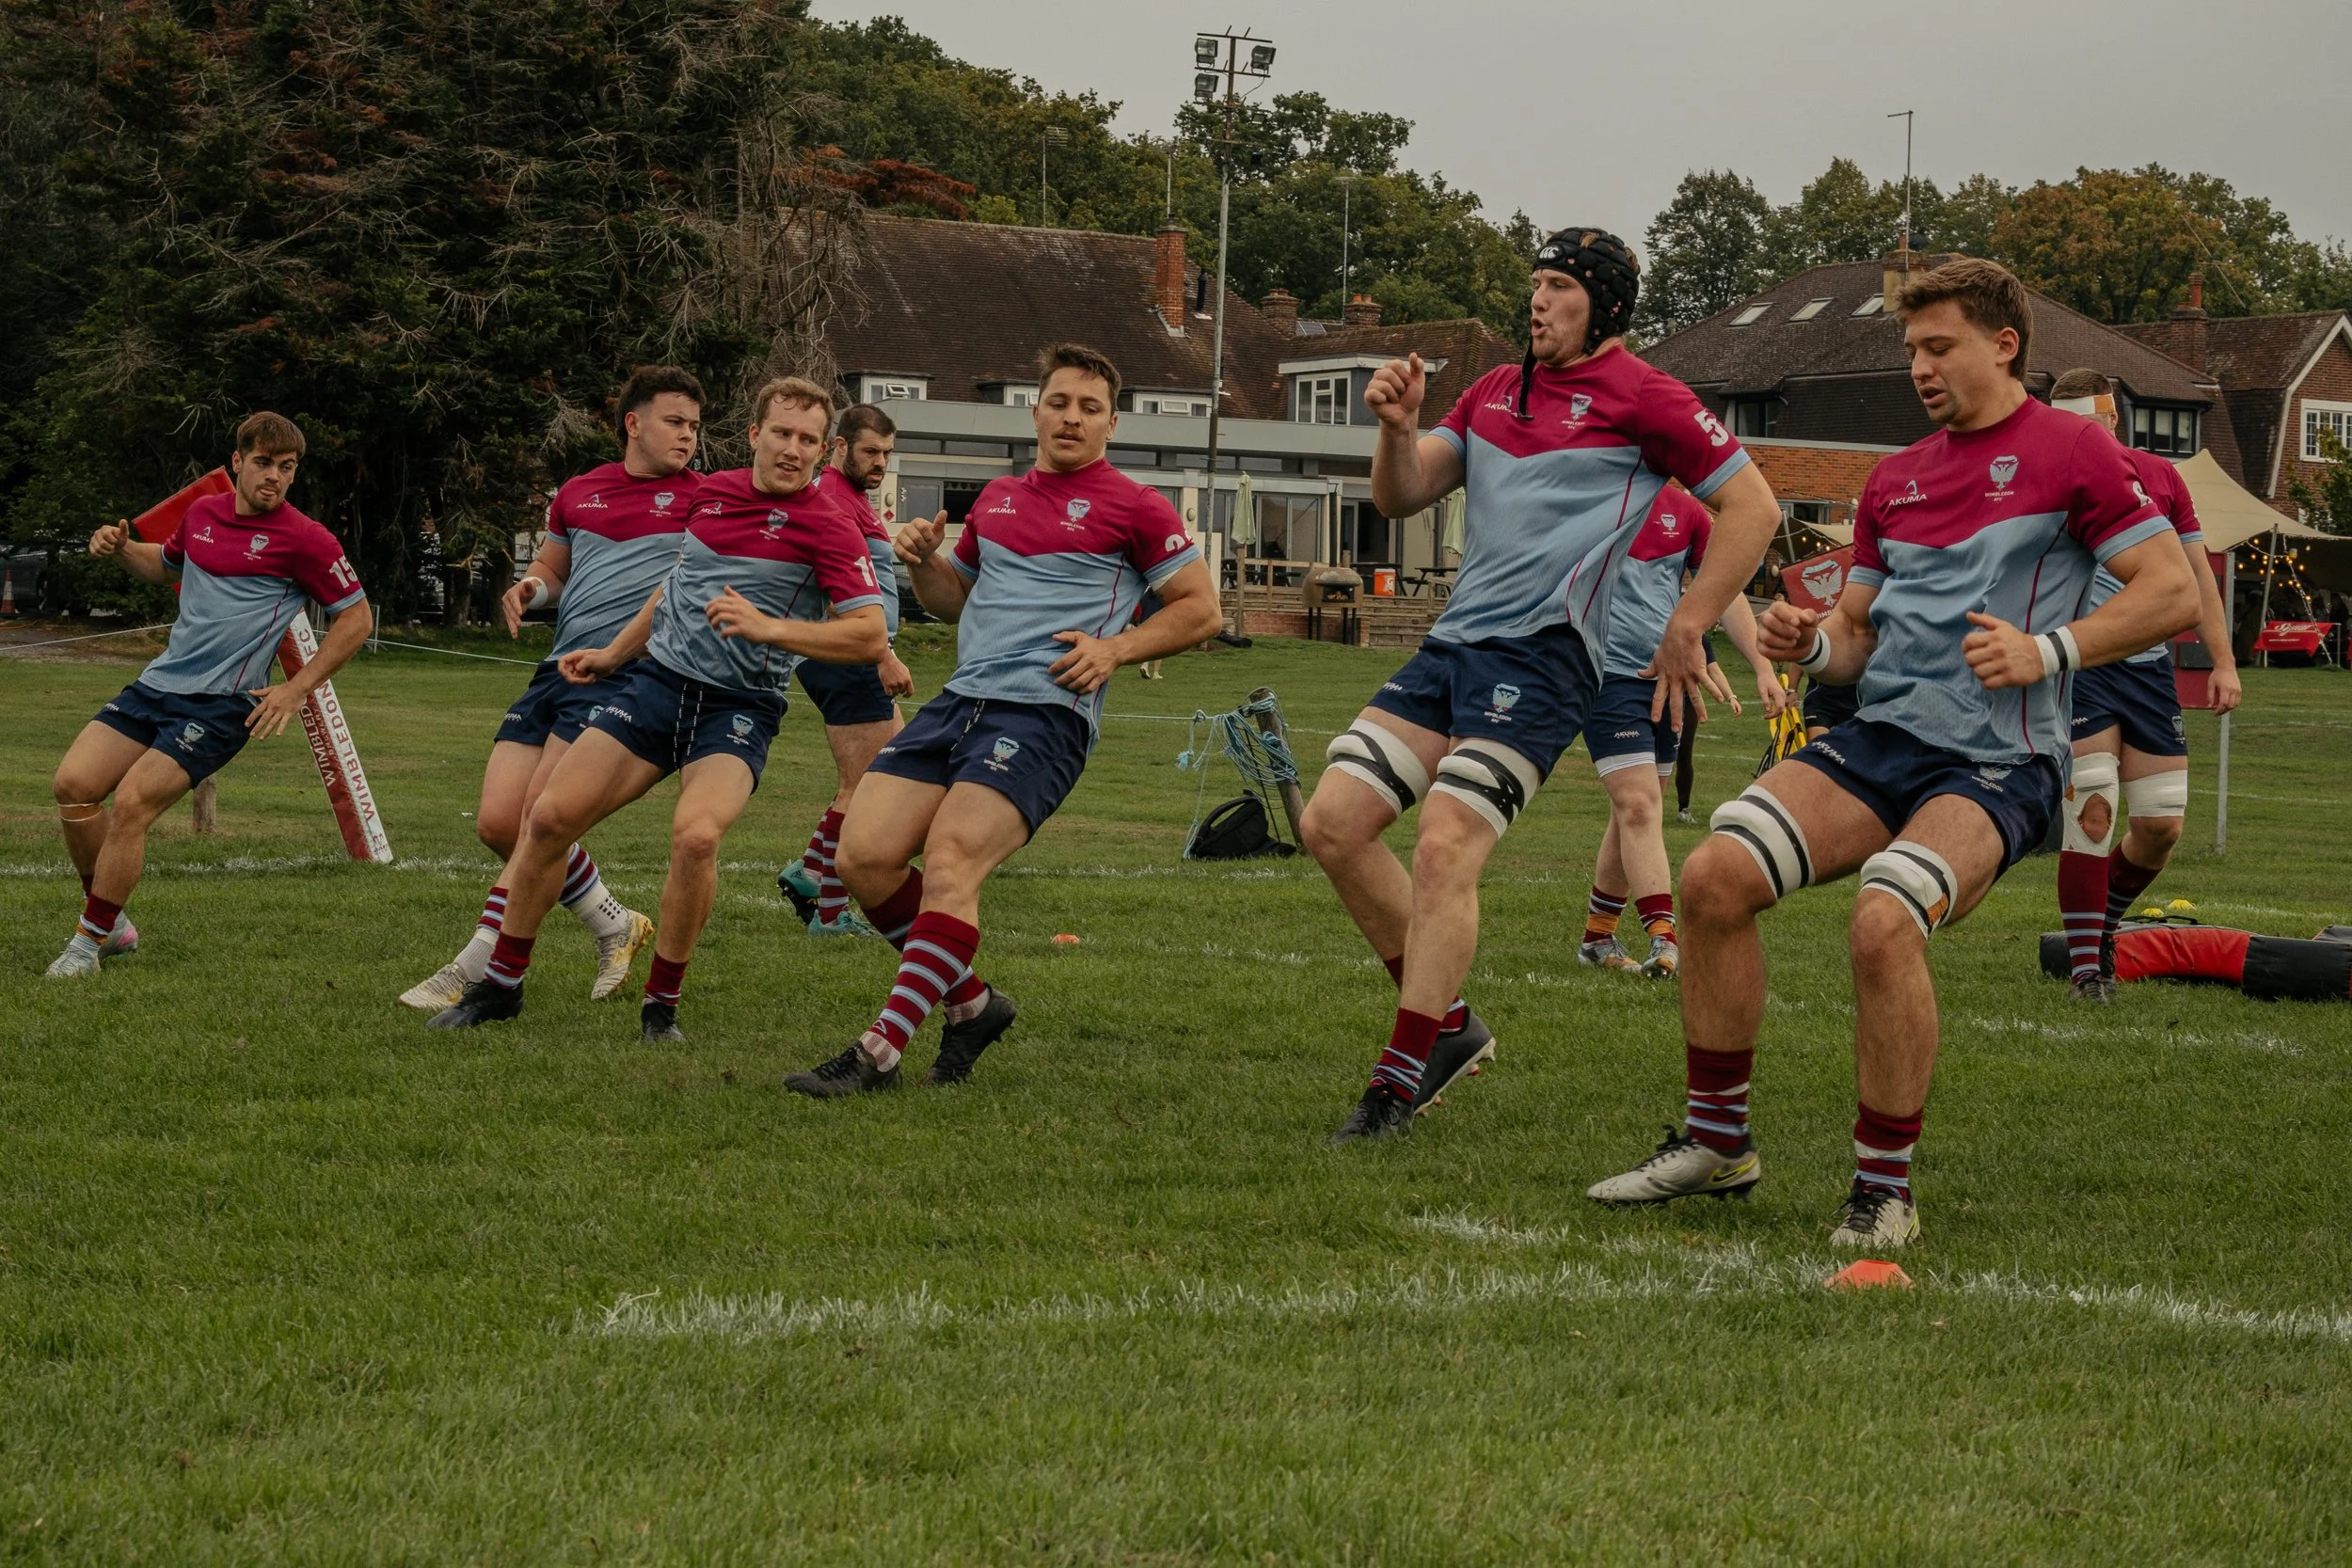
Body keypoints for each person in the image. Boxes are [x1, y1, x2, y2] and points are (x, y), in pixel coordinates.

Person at [1586, 260, 2201, 1246]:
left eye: (1938, 345)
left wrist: (2047, 649)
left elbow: (2169, 589)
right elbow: (1859, 633)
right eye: (1910, 348)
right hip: (1880, 737)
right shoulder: (1895, 477)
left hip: (1999, 762)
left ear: (2003, 345)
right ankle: (1717, 1143)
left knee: (1883, 918)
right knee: (1710, 876)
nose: (1918, 365)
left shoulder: (2073, 450)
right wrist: (1812, 641)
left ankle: (1882, 1190)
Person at [1297, 228, 1780, 1143]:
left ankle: (1396, 1083)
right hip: (1452, 647)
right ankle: (1446, 1026)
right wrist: (1394, 431)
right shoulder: (1492, 390)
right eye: (1535, 283)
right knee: (1330, 821)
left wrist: (1689, 622)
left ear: (1604, 302)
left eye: (1557, 285)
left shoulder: (1647, 397)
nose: (1538, 300)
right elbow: (1402, 497)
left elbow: (1751, 507)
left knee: (1445, 845)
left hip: (1546, 660)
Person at [783, 342, 1222, 1097]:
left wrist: (1116, 649)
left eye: (1089, 408)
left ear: (1111, 423)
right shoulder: (997, 499)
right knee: (862, 857)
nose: (1071, 418)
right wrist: (924, 561)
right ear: (1035, 410)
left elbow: (1202, 610)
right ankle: (973, 1004)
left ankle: (878, 1053)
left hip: (1047, 710)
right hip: (960, 700)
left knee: (952, 857)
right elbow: (958, 599)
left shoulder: (1138, 506)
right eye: (1059, 402)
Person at [425, 376, 888, 1040]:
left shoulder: (830, 524)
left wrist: (770, 629)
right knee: (548, 818)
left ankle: (660, 1007)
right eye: (782, 433)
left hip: (739, 707)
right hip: (656, 686)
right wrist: (614, 654)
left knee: (697, 836)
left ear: (824, 450)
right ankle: (501, 986)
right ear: (755, 434)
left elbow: (868, 632)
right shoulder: (713, 495)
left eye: (808, 440)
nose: (793, 449)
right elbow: (677, 586)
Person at [398, 367, 705, 1011]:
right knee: (496, 822)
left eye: (695, 427)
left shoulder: (702, 500)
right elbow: (553, 568)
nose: (688, 437)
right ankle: (612, 920)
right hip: (559, 666)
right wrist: (529, 588)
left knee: (543, 814)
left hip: (625, 672)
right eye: (675, 422)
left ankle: (476, 966)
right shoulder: (579, 491)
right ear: (634, 422)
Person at [48, 412, 372, 977]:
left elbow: (356, 619)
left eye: (287, 467)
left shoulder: (307, 539)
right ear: (238, 463)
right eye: (265, 463)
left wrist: (296, 690)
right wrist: (123, 547)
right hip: (158, 684)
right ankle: (112, 921)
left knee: (131, 806)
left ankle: (84, 947)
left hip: (222, 704)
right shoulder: (202, 514)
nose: (275, 476)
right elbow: (164, 566)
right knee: (73, 787)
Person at [2045, 369, 2242, 1001]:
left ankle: (2101, 925)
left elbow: (2196, 577)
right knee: (2094, 805)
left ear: (2112, 421)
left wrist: (2223, 661)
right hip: (2083, 661)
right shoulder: (2042, 477)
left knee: (2160, 825)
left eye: (2086, 424)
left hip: (2149, 669)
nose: (2076, 438)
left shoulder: (2160, 476)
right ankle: (2085, 972)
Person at [1578, 488, 1788, 976]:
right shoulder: (1592, 494)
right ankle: (1664, 939)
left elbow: (1725, 590)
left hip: (1666, 675)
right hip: (1602, 675)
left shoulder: (1687, 510)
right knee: (1637, 804)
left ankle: (1597, 936)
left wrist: (1760, 666)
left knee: (1638, 807)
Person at [777, 404, 918, 938]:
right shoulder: (834, 498)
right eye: (869, 452)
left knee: (874, 779)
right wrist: (881, 655)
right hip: (849, 656)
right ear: (838, 448)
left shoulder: (851, 498)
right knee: (871, 785)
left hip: (851, 656)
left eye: (886, 453)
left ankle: (811, 870)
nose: (880, 462)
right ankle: (829, 911)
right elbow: (842, 594)